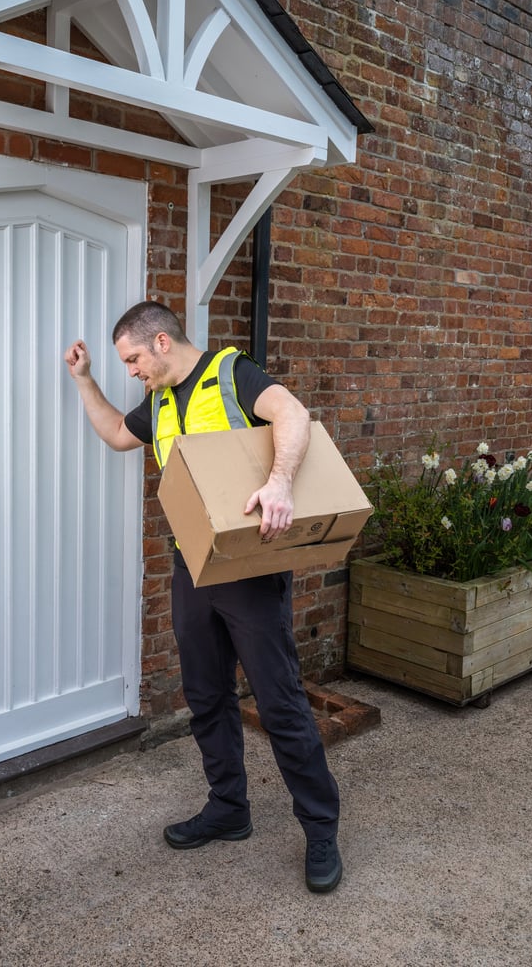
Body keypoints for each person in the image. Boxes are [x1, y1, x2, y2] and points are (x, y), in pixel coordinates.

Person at [64, 301, 342, 893]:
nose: (133, 371)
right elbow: (117, 434)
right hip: (192, 566)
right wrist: (84, 382)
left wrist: (280, 481)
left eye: (134, 359)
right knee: (206, 695)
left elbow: (292, 413)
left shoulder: (231, 373)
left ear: (162, 342)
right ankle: (228, 807)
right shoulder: (160, 403)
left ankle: (321, 829)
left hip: (250, 569)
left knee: (279, 700)